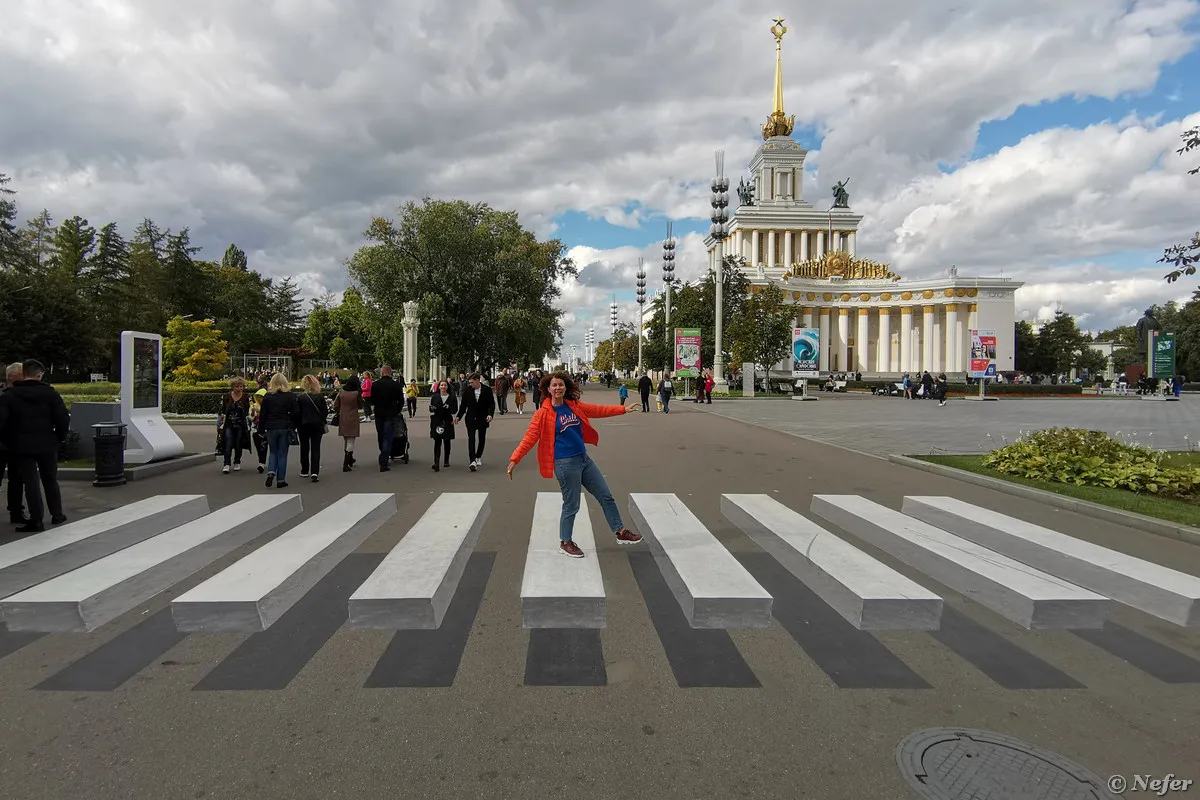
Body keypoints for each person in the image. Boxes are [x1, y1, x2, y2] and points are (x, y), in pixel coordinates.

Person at [507, 371, 643, 558]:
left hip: (583, 459)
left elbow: (597, 410)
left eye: (561, 385)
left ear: (565, 388)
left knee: (606, 496)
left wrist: (622, 409)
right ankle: (565, 541)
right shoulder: (542, 414)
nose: (558, 388)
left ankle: (620, 532)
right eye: (554, 385)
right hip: (564, 464)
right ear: (548, 389)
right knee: (572, 504)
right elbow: (529, 438)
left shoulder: (573, 406)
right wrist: (515, 459)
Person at [0, 359, 70, 532]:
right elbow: (63, 418)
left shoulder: (10, 396)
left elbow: (2, 422)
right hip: (47, 443)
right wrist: (57, 438)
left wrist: (8, 441)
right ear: (39, 374)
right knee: (50, 479)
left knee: (30, 481)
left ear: (23, 374)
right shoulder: (50, 394)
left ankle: (36, 519)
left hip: (21, 445)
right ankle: (57, 513)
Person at [258, 372, 299, 488]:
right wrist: (293, 425)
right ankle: (281, 480)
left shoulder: (268, 397)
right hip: (285, 426)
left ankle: (271, 471)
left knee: (273, 452)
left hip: (271, 427)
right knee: (282, 454)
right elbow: (296, 413)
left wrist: (261, 430)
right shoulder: (290, 396)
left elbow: (263, 415)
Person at [0, 362, 27, 524]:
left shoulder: (23, 394)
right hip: (2, 443)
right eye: (22, 374)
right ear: (11, 376)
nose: (25, 377)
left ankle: (16, 511)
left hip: (17, 443)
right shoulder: (2, 394)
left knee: (17, 480)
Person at [456, 372, 495, 472]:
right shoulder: (468, 390)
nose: (470, 384)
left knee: (481, 438)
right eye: (469, 382)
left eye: (472, 382)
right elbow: (463, 405)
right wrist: (458, 417)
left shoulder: (487, 390)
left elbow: (491, 404)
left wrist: (490, 414)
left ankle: (478, 456)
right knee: (471, 438)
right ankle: (472, 460)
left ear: (478, 381)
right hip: (471, 418)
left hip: (483, 417)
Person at [370, 365, 405, 472]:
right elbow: (401, 400)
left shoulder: (375, 385)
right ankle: (384, 461)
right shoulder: (396, 385)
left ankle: (383, 455)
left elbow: (372, 400)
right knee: (388, 437)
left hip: (379, 414)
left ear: (382, 372)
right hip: (392, 414)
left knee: (381, 436)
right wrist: (397, 410)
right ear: (391, 373)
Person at [297, 374, 327, 482]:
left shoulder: (300, 397)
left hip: (303, 425)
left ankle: (304, 470)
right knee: (316, 448)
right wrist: (322, 420)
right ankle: (314, 472)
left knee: (304, 448)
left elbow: (297, 413)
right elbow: (325, 412)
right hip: (317, 425)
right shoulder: (320, 397)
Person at [218, 377, 251, 474]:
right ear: (232, 387)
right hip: (228, 424)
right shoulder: (227, 397)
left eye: (241, 386)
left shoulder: (246, 397)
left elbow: (250, 410)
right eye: (237, 386)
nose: (239, 388)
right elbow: (221, 411)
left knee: (238, 444)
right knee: (228, 443)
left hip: (241, 425)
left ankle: (237, 461)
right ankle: (226, 463)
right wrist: (219, 425)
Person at [335, 374, 362, 472]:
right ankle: (346, 463)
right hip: (353, 417)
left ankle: (350, 459)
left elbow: (336, 405)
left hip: (343, 417)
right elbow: (360, 405)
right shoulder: (356, 393)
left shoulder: (341, 391)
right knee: (351, 440)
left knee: (346, 439)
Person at [429, 379, 457, 471]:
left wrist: (449, 407)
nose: (443, 387)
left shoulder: (452, 397)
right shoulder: (435, 396)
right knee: (437, 441)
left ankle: (446, 460)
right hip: (437, 420)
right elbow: (431, 408)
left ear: (447, 387)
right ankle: (436, 462)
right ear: (439, 387)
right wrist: (432, 408)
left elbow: (455, 410)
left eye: (445, 385)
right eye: (441, 385)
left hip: (447, 420)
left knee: (447, 441)